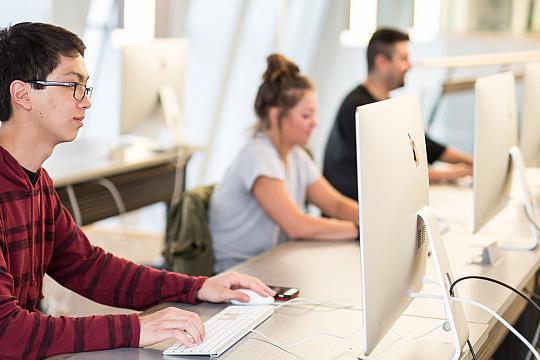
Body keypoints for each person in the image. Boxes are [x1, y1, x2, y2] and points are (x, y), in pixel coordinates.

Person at [0, 22, 274, 360]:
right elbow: (7, 333)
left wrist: (198, 287)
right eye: (73, 86)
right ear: (23, 94)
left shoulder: (37, 182)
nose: (85, 102)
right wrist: (138, 327)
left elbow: (88, 266)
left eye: (86, 88)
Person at [209, 54, 359, 273]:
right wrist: (359, 230)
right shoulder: (258, 156)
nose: (314, 122)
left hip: (275, 263)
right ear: (276, 114)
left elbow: (335, 205)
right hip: (242, 272)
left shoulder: (296, 156)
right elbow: (296, 225)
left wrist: (373, 221)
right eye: (306, 115)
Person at [323, 28, 473, 201]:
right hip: (355, 213)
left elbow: (424, 145)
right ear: (381, 62)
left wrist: (469, 161)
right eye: (403, 59)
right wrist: (451, 174)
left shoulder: (386, 103)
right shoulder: (359, 108)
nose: (409, 65)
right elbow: (392, 168)